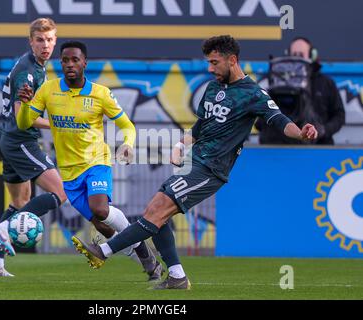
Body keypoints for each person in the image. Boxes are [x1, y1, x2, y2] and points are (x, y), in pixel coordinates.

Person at [71, 35, 318, 290]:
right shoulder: (213, 88)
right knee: (159, 213)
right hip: (194, 163)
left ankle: (103, 251)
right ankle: (177, 277)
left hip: (212, 170)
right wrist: (180, 145)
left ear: (232, 60)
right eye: (208, 63)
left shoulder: (253, 94)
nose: (210, 69)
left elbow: (278, 120)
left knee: (155, 212)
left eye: (215, 62)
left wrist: (300, 133)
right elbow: (201, 125)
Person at [0, 20, 137, 279]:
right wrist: (61, 124)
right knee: (61, 191)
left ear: (55, 42)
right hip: (21, 140)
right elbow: (23, 115)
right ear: (30, 41)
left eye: (49, 40)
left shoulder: (35, 67)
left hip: (8, 138)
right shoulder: (29, 71)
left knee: (20, 202)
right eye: (40, 40)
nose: (45, 46)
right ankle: (5, 227)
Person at [16, 40, 163, 281]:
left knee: (100, 209)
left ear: (85, 62)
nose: (70, 64)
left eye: (75, 60)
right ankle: (148, 261)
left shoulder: (100, 93)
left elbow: (127, 126)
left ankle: (139, 256)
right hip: (69, 172)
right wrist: (24, 106)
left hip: (96, 162)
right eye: (65, 60)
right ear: (60, 63)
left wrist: (127, 143)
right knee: (104, 226)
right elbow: (24, 123)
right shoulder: (48, 91)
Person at [257, 36, 345, 145]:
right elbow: (262, 120)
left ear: (312, 55)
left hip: (318, 148)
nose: (297, 59)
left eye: (301, 55)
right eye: (294, 55)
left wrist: (323, 130)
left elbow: (339, 115)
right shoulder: (273, 82)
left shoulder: (325, 83)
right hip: (278, 149)